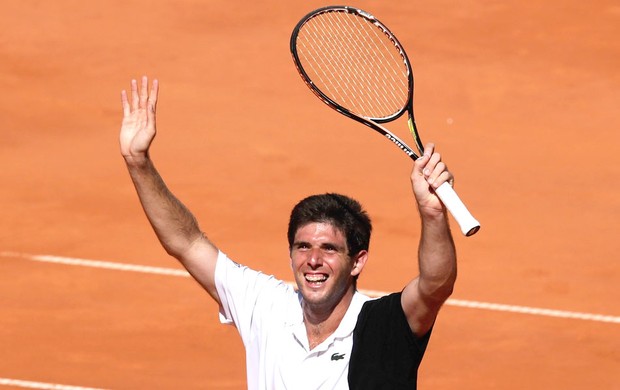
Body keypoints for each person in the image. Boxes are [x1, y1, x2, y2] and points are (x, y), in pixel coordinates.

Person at [120, 76, 457, 389]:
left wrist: (432, 214)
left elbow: (435, 285)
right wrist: (139, 161)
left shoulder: (384, 327)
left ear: (357, 261)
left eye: (329, 249)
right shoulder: (266, 307)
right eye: (303, 246)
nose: (312, 260)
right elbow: (187, 242)